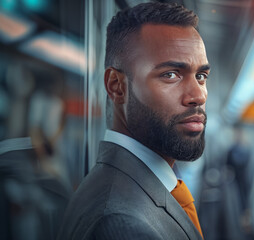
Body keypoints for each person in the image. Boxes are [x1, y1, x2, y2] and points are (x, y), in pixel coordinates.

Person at [57, 2, 209, 240]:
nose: (198, 95)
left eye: (201, 76)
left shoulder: (124, 188)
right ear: (117, 86)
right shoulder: (120, 225)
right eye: (171, 75)